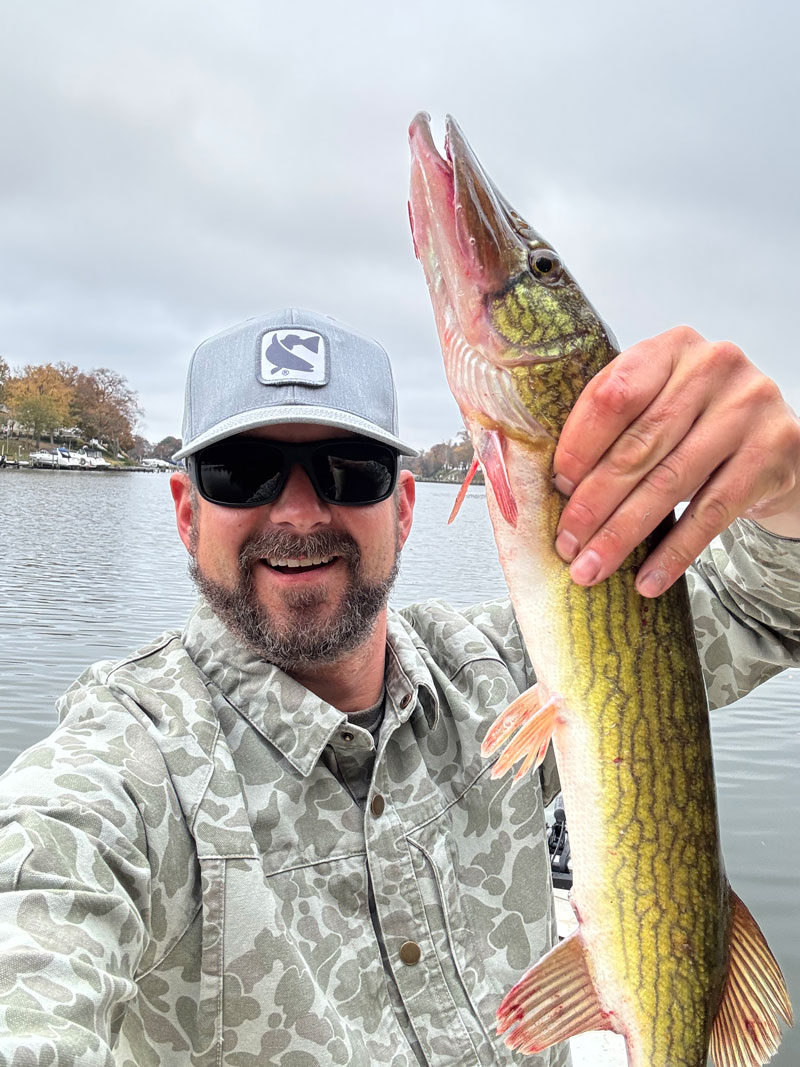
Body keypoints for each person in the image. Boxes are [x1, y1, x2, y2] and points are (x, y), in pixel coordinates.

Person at [0, 308, 798, 1067]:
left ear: (404, 506)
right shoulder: (119, 773)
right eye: (242, 472)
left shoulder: (504, 675)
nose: (301, 510)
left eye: (350, 470)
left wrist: (787, 490)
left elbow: (764, 602)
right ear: (185, 511)